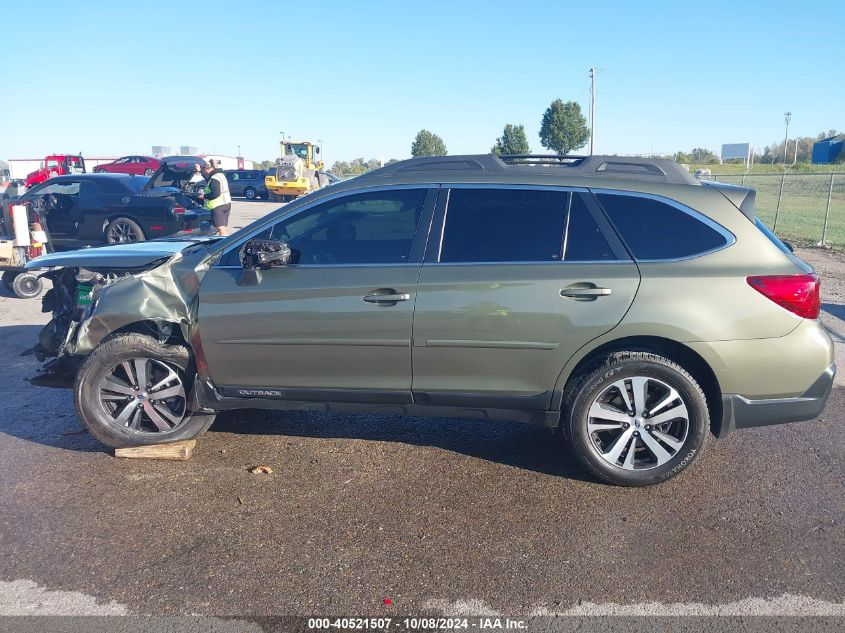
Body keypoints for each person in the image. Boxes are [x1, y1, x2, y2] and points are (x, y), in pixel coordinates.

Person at [200, 159, 232, 236]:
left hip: (218, 206)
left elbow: (215, 193)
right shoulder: (220, 175)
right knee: (224, 227)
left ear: (209, 168)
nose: (205, 172)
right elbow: (209, 180)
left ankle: (224, 246)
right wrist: (200, 171)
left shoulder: (214, 178)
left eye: (205, 170)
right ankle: (229, 242)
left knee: (220, 228)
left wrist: (204, 196)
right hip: (226, 203)